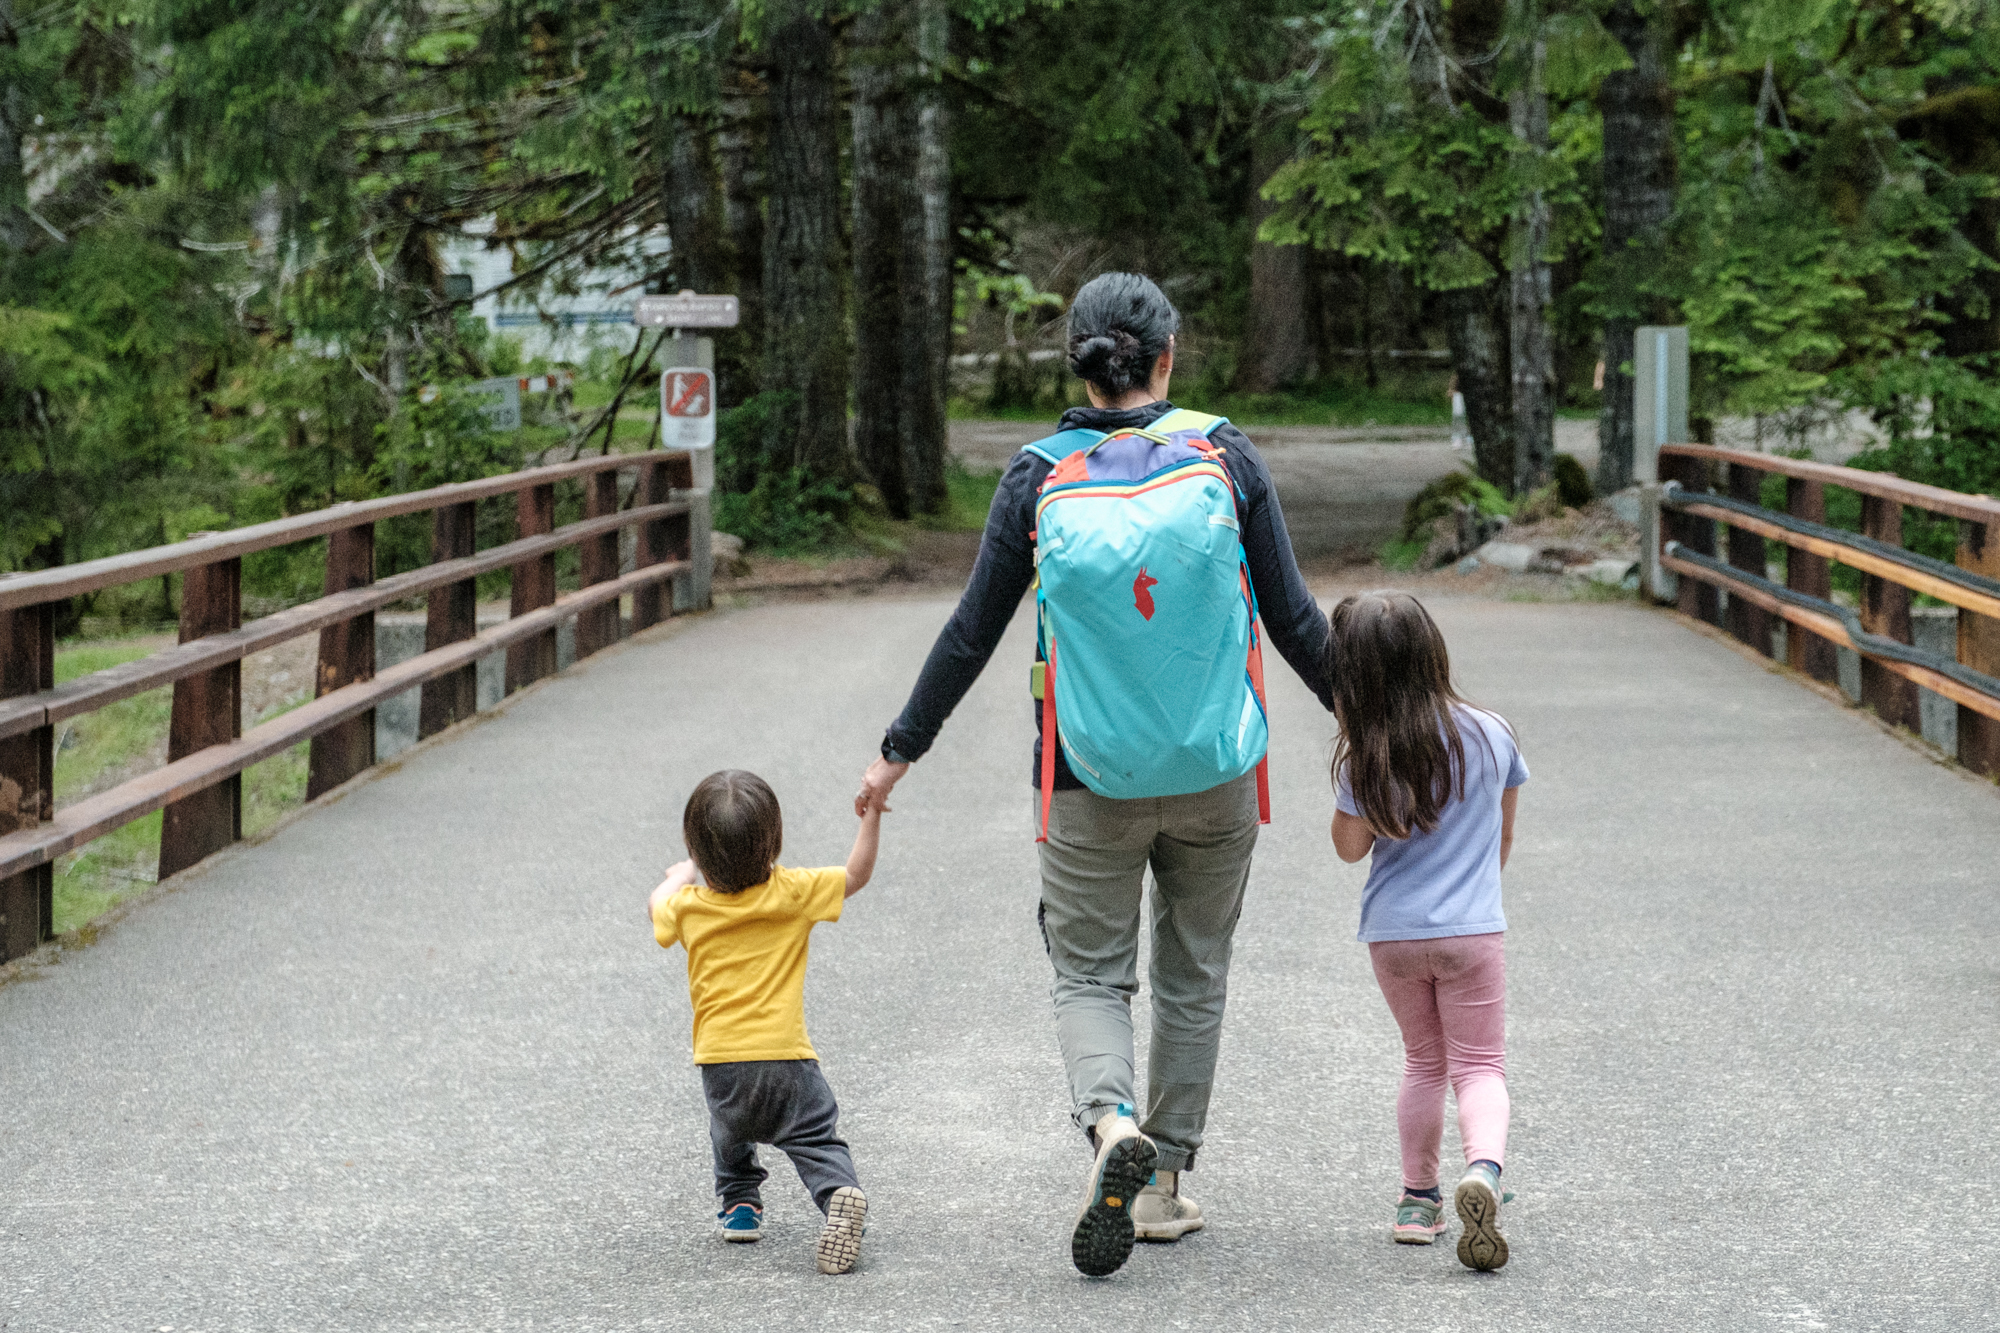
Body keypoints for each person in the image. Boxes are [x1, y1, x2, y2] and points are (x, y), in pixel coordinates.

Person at [855, 272, 1335, 1277]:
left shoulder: (1035, 475)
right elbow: (1293, 620)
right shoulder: (1223, 454)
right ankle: (1160, 1187)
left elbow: (970, 633)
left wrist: (898, 750)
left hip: (1082, 775)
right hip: (1213, 771)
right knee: (1192, 969)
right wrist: (1379, 728)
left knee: (1087, 974)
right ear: (1168, 356)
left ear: (1073, 358)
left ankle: (1113, 1123)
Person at [1326, 591, 1525, 1272]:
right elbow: (1502, 838)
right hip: (1473, 930)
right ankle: (1484, 1174)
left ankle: (1418, 1200)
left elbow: (1349, 848)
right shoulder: (1494, 732)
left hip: (1395, 936)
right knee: (1479, 1066)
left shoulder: (1369, 754)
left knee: (1424, 1062)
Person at [648, 769, 884, 1275]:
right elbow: (855, 875)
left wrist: (679, 874)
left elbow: (658, 906)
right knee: (816, 1140)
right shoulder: (793, 892)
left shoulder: (689, 908)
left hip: (722, 1063)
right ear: (774, 843)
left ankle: (739, 1207)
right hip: (788, 1058)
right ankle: (838, 1194)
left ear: (697, 850)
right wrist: (870, 822)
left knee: (728, 1134)